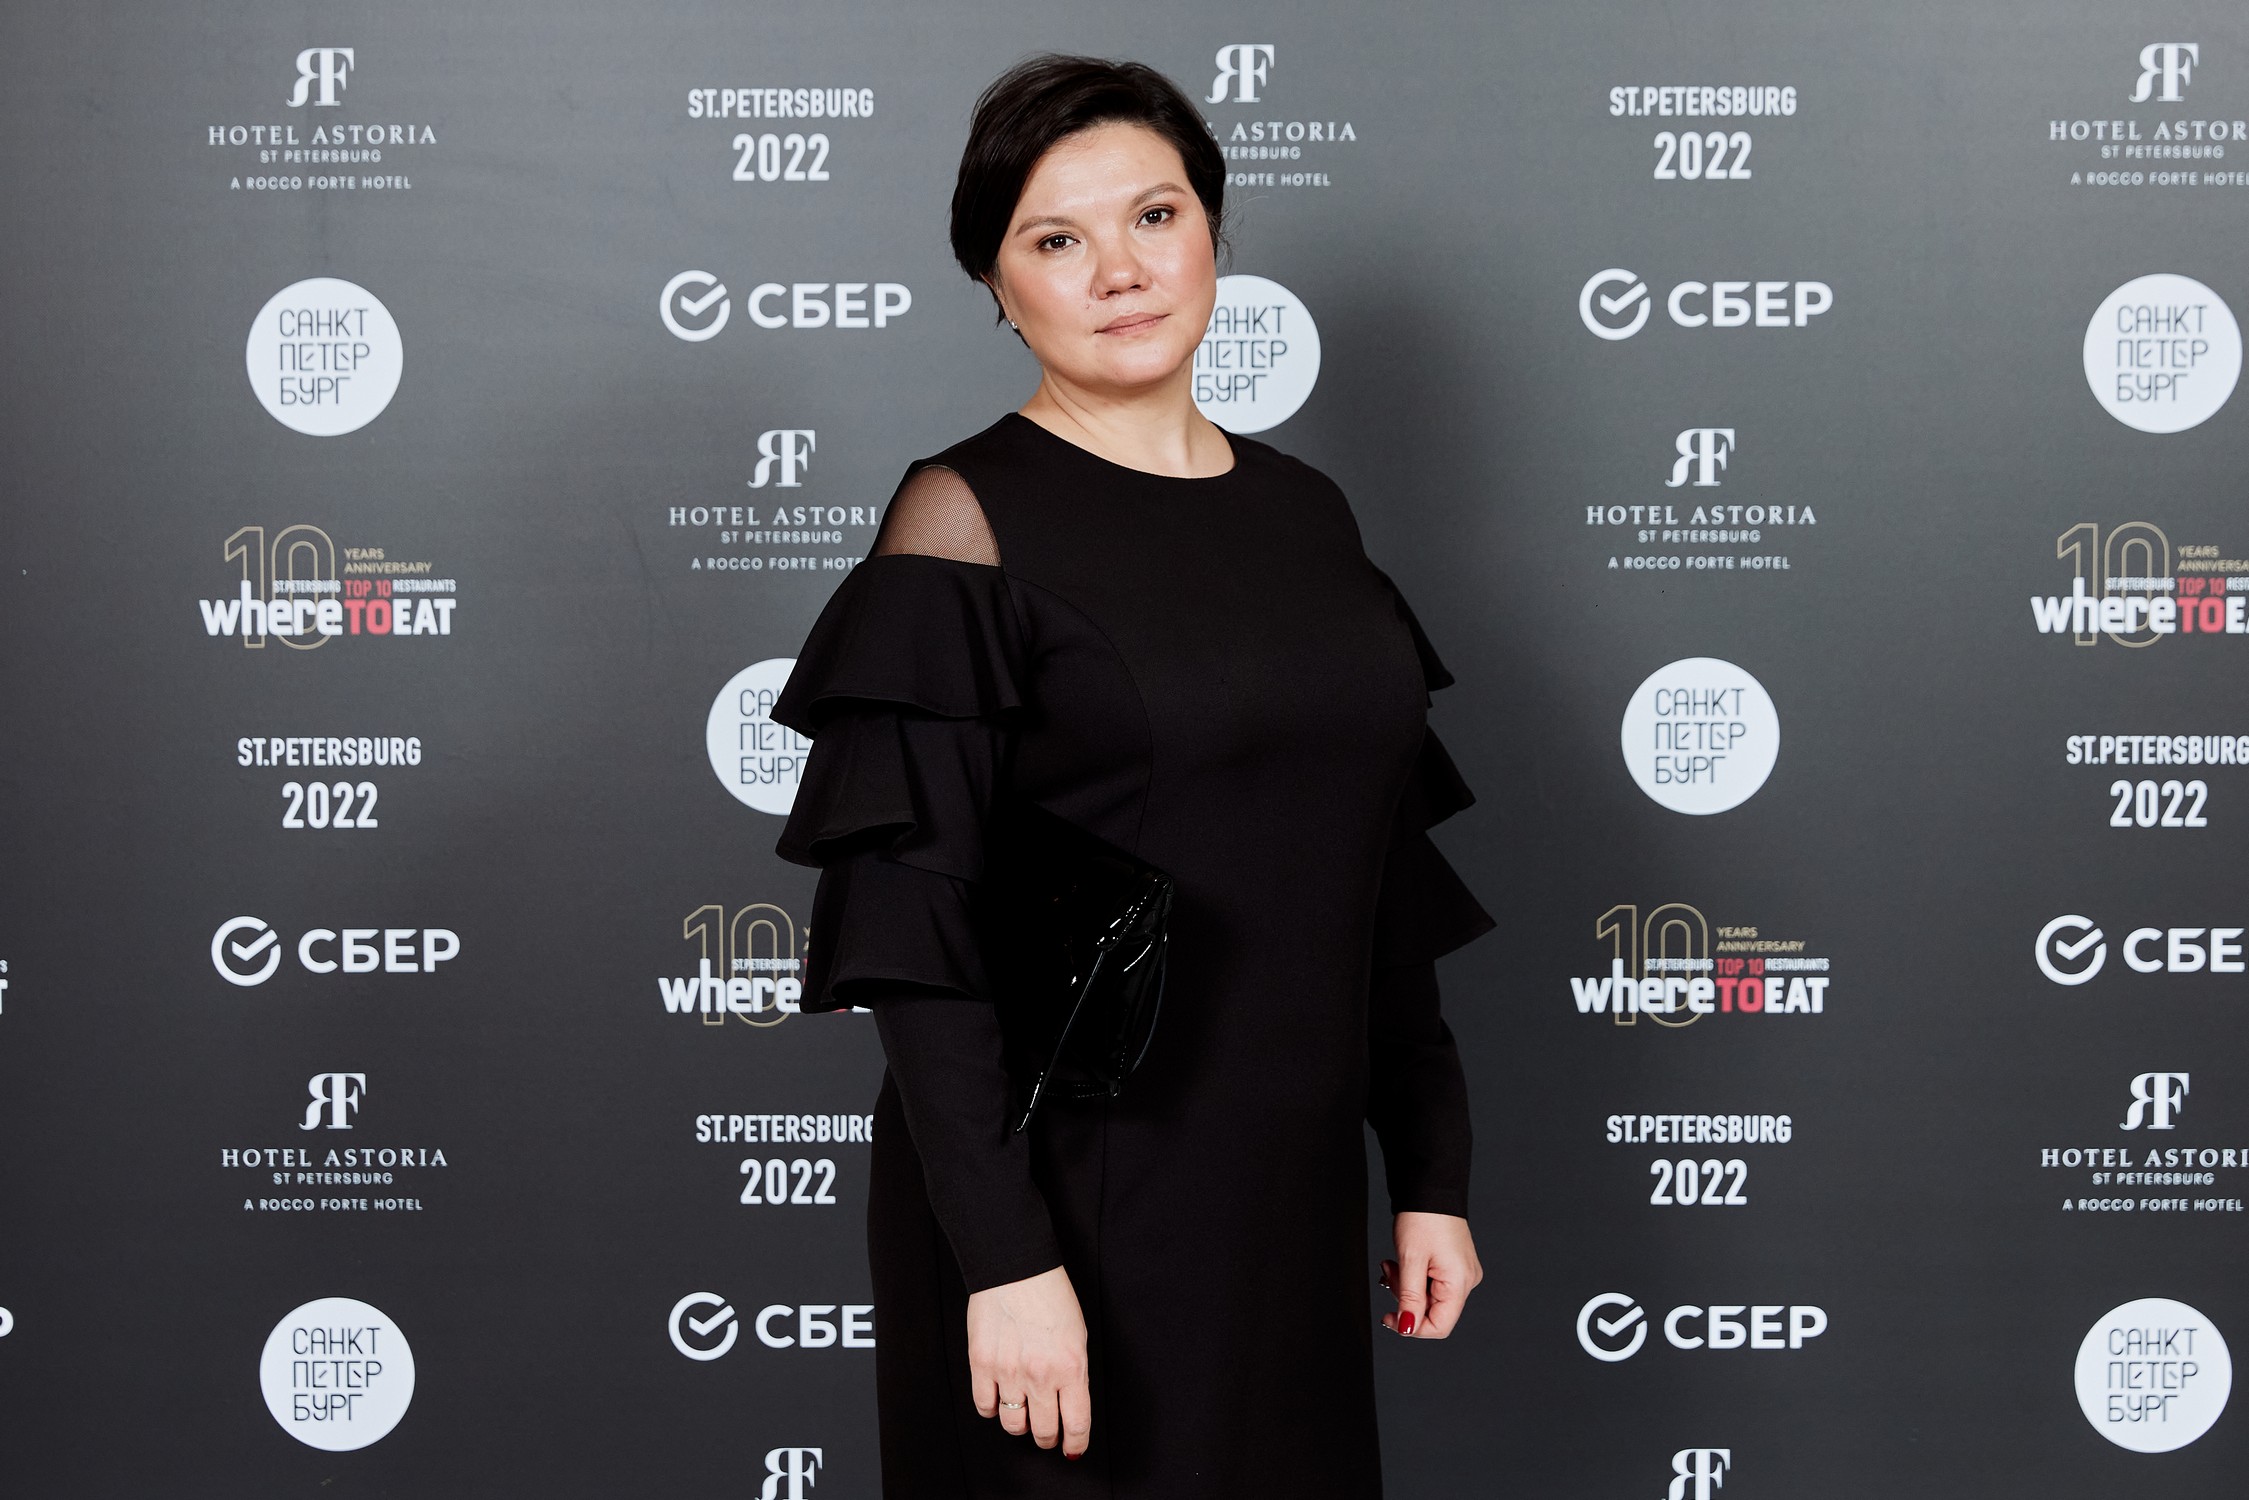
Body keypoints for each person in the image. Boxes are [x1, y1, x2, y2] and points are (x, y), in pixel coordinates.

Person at [771, 53, 1492, 1497]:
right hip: (1066, 1204)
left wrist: (1429, 1174)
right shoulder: (962, 523)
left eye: (1154, 217)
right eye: (1056, 239)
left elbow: (1372, 872)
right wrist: (1004, 1261)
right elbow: (915, 940)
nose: (1119, 271)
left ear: (1211, 230)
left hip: (1284, 1198)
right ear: (996, 282)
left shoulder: (1308, 514)